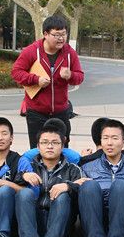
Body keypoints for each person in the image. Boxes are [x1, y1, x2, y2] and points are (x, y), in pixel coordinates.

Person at [15, 124, 83, 237]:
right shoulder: (29, 167)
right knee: (24, 193)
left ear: (62, 146)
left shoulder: (72, 169)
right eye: (45, 142)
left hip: (61, 224)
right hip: (34, 222)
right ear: (38, 146)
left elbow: (84, 186)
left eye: (55, 143)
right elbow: (13, 182)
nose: (50, 146)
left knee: (62, 195)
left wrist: (68, 186)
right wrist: (24, 176)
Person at [11, 15, 85, 148]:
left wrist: (70, 75)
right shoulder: (32, 51)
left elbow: (80, 77)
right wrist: (36, 80)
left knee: (62, 149)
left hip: (61, 112)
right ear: (45, 34)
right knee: (37, 150)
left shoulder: (69, 53)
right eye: (56, 35)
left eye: (64, 34)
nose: (61, 38)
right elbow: (16, 72)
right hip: (36, 112)